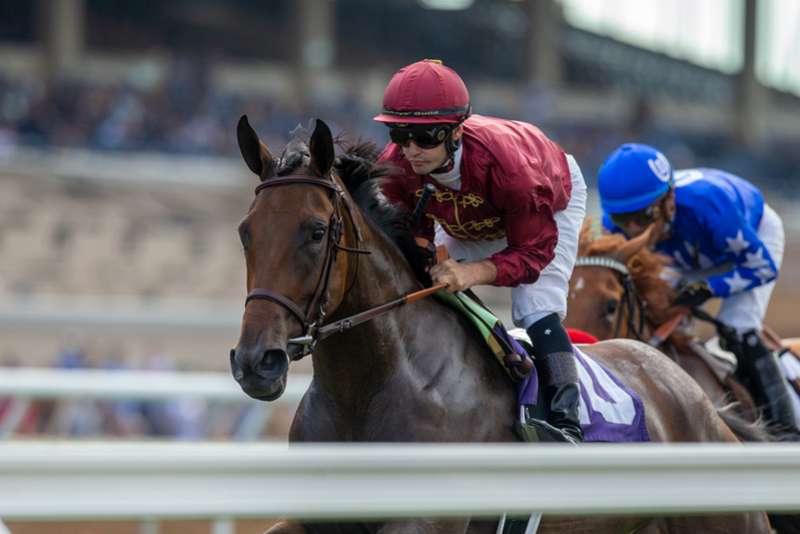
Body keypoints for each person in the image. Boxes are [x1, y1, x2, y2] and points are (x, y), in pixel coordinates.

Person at [371, 59, 588, 443]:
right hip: (471, 210)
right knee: (425, 281)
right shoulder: (395, 167)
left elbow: (532, 255)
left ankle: (567, 421)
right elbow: (413, 235)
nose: (411, 150)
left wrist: (472, 272)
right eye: (399, 134)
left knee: (535, 306)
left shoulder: (511, 170)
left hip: (545, 200)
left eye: (425, 137)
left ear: (456, 131)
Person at [598, 142, 797, 433]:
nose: (633, 231)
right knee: (652, 315)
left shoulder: (709, 206)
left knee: (738, 325)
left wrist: (711, 287)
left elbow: (762, 267)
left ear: (669, 199)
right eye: (621, 220)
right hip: (684, 251)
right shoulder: (615, 223)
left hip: (747, 242)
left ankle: (784, 426)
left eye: (642, 217)